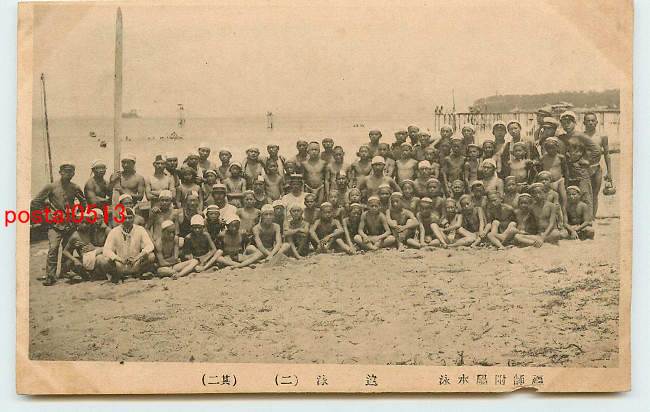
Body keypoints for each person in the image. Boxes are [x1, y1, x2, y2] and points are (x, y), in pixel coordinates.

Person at [31, 161, 87, 286]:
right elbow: (35, 202)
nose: (68, 174)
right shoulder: (51, 187)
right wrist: (46, 215)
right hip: (54, 224)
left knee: (68, 248)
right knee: (53, 248)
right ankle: (50, 276)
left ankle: (64, 272)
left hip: (69, 224)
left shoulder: (75, 187)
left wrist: (77, 214)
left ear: (74, 173)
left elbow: (84, 203)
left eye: (71, 171)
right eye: (66, 171)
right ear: (60, 172)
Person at [102, 207, 155, 282]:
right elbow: (106, 250)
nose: (127, 220)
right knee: (103, 260)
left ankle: (138, 274)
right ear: (120, 218)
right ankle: (118, 276)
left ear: (134, 218)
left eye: (130, 218)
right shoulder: (114, 231)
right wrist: (119, 259)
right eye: (125, 218)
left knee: (151, 256)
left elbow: (150, 246)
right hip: (120, 264)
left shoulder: (140, 229)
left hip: (136, 262)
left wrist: (137, 257)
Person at [62, 217, 110, 282]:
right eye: (82, 222)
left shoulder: (92, 231)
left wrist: (94, 248)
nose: (84, 225)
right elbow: (65, 251)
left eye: (87, 223)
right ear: (77, 223)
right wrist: (74, 259)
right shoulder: (75, 236)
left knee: (101, 259)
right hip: (85, 260)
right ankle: (87, 275)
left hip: (96, 257)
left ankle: (97, 274)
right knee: (69, 263)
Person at [583, 112, 613, 216]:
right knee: (585, 194)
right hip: (584, 169)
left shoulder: (602, 136)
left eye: (592, 120)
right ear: (584, 122)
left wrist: (609, 172)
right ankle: (585, 217)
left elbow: (607, 154)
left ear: (596, 122)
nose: (590, 123)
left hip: (596, 168)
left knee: (595, 194)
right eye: (588, 121)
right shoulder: (581, 136)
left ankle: (592, 217)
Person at [565, 139, 594, 213]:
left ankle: (588, 216)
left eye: (576, 151)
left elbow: (588, 166)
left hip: (582, 180)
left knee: (586, 197)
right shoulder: (569, 159)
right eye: (569, 151)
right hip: (573, 179)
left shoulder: (583, 161)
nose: (570, 153)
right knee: (573, 198)